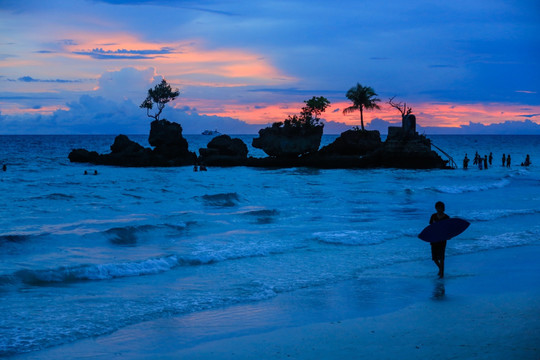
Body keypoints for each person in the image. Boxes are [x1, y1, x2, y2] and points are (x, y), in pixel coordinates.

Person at [429, 201, 450, 278]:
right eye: (438, 208)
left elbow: (449, 229)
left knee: (441, 257)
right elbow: (430, 228)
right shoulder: (433, 216)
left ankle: (442, 274)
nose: (439, 209)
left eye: (440, 208)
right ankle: (440, 269)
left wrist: (449, 236)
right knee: (434, 258)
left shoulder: (446, 217)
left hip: (442, 239)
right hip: (434, 238)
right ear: (436, 208)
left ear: (443, 209)